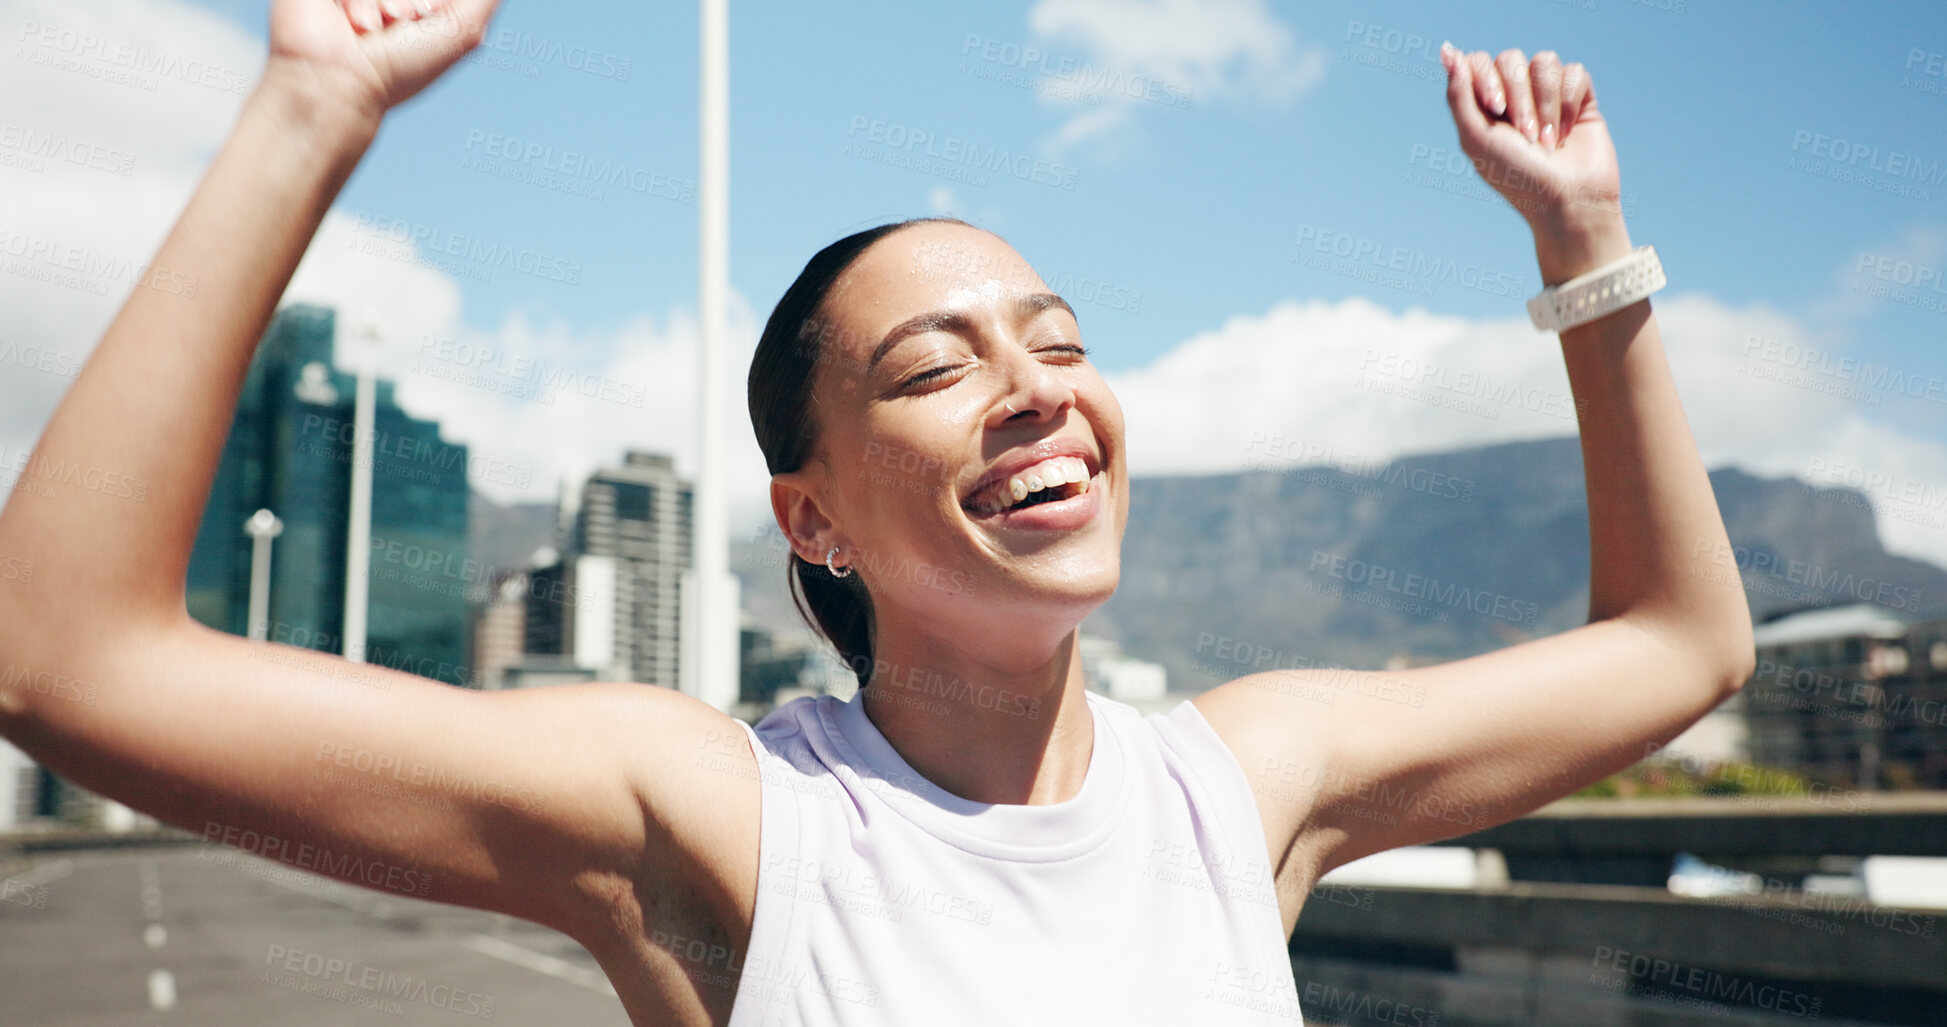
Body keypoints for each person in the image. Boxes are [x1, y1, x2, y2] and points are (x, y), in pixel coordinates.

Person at [0, 1, 1755, 1024]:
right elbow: (63, 659)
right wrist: (309, 112)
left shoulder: (1241, 788)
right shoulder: (730, 819)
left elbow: (1681, 647)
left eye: (1060, 339)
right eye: (933, 368)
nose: (1036, 386)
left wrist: (1585, 252)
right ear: (813, 516)